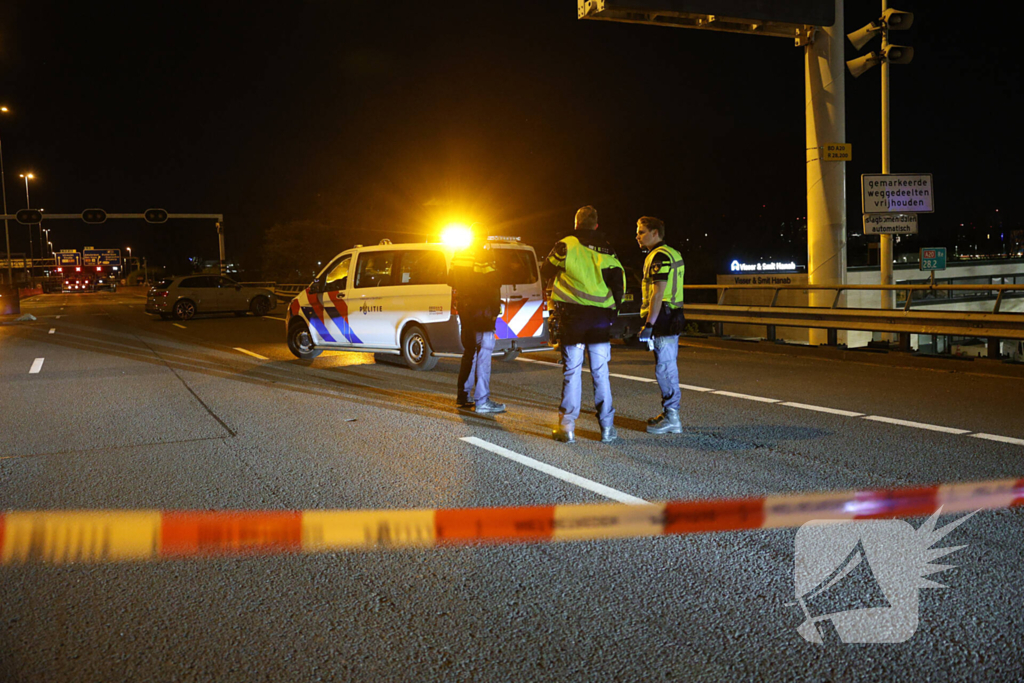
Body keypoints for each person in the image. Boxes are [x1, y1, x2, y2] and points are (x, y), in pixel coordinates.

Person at [542, 205, 625, 443]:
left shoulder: (566, 244)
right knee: (601, 373)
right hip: (600, 320)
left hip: (573, 319)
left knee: (572, 372)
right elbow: (619, 283)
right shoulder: (608, 249)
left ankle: (567, 428)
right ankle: (607, 429)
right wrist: (612, 313)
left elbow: (546, 269)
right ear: (596, 225)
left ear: (576, 223)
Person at [635, 216, 686, 434]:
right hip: (672, 314)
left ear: (655, 233)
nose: (637, 236)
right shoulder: (672, 253)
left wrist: (649, 324)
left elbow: (658, 293)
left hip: (663, 317)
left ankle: (673, 416)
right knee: (666, 365)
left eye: (641, 231)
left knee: (665, 368)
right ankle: (669, 413)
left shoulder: (659, 257)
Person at [450, 238, 506, 414]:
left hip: (466, 311)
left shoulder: (458, 255)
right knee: (484, 352)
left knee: (470, 352)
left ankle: (463, 395)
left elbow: (450, 280)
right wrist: (494, 310)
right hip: (481, 312)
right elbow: (494, 283)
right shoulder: (484, 256)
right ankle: (482, 400)